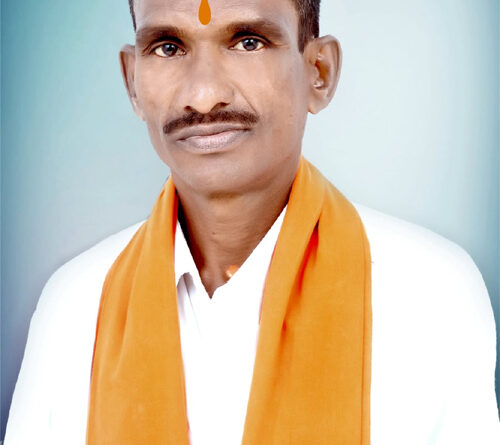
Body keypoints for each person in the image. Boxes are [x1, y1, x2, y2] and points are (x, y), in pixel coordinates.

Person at [5, 0, 500, 444]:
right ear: (132, 82)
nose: (203, 96)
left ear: (319, 72)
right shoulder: (74, 308)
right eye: (168, 47)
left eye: (248, 41)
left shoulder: (430, 295)